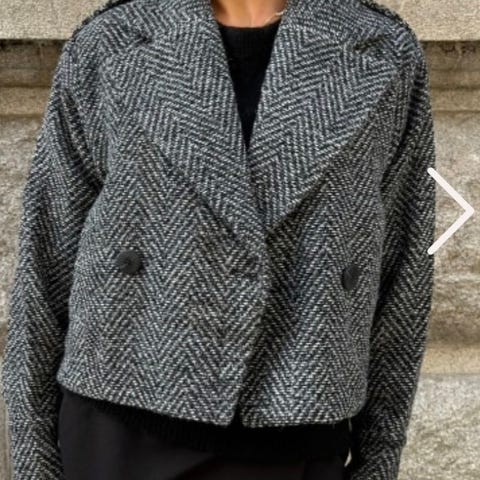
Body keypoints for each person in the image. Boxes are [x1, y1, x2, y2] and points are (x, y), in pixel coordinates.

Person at [1, 0, 437, 479]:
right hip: (120, 426)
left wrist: (379, 459)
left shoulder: (383, 49)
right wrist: (33, 456)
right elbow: (46, 256)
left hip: (300, 429)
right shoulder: (112, 41)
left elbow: (404, 267)